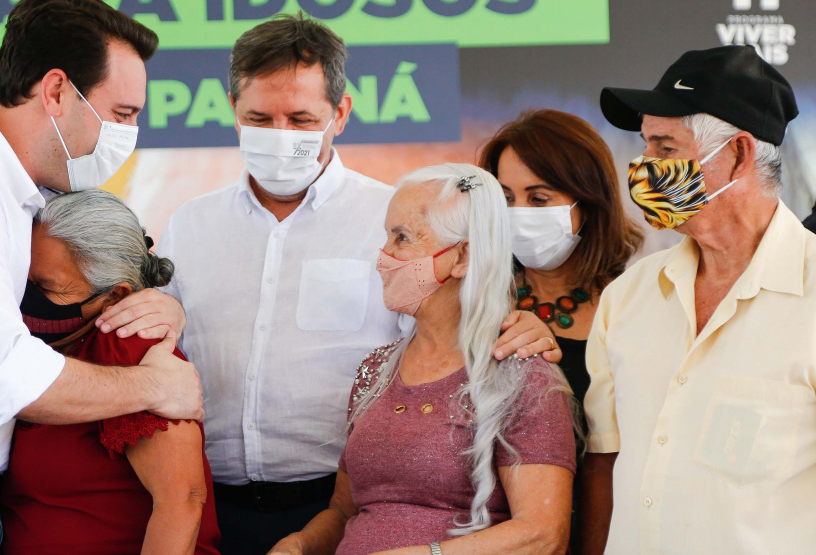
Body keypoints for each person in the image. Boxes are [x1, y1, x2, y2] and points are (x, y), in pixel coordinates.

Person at [153, 13, 558, 554]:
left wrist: (517, 328)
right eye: (259, 117)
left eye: (300, 118)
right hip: (205, 502)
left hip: (338, 505)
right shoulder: (189, 225)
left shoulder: (395, 218)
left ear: (339, 113)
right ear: (233, 112)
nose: (280, 137)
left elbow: (457, 330)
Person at [0, 2, 200, 552]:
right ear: (57, 91)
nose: (130, 133)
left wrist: (159, 306)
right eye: (124, 112)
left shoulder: (17, 189)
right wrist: (159, 385)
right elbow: (9, 375)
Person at [269, 163, 577, 555]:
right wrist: (299, 544)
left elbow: (542, 535)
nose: (383, 257)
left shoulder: (521, 374)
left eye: (403, 238)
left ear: (463, 256)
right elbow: (347, 509)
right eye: (387, 237)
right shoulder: (376, 370)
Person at [579, 45, 814, 555]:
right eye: (645, 148)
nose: (643, 168)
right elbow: (604, 465)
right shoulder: (628, 298)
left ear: (738, 154)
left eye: (665, 150)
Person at [0, 190, 221, 554]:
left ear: (115, 297)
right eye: (23, 277)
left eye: (45, 287)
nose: (26, 295)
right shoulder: (42, 345)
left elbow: (183, 500)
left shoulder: (131, 352)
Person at [478, 108, 644, 409]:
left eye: (539, 199)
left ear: (590, 202)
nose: (520, 214)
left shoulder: (636, 305)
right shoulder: (477, 299)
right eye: (507, 199)